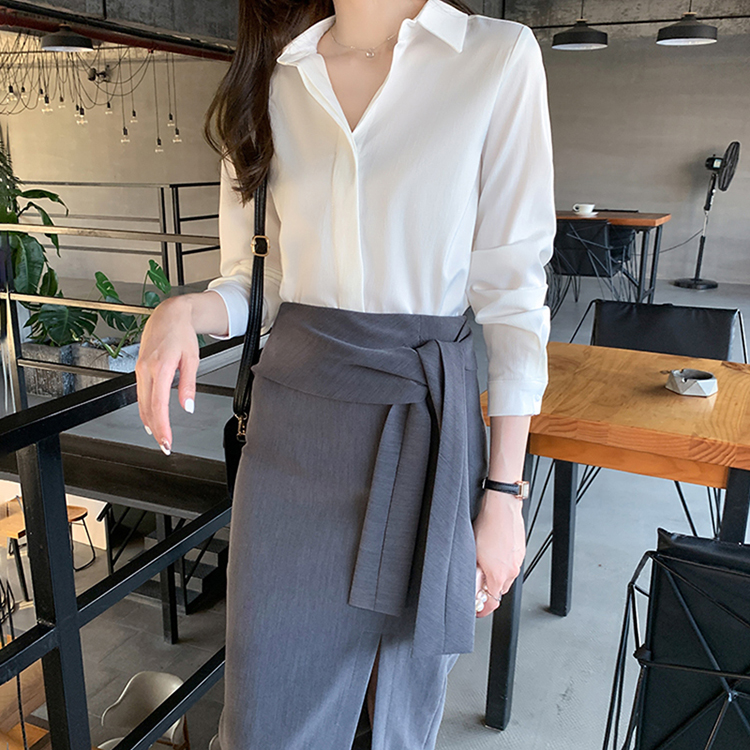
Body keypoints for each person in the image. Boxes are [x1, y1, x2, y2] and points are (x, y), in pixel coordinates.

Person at [135, 0, 555, 747]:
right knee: (266, 713)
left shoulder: (496, 57)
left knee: (393, 708)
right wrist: (186, 309)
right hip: (292, 444)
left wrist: (503, 494)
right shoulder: (271, 77)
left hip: (425, 436)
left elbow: (513, 296)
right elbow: (260, 282)